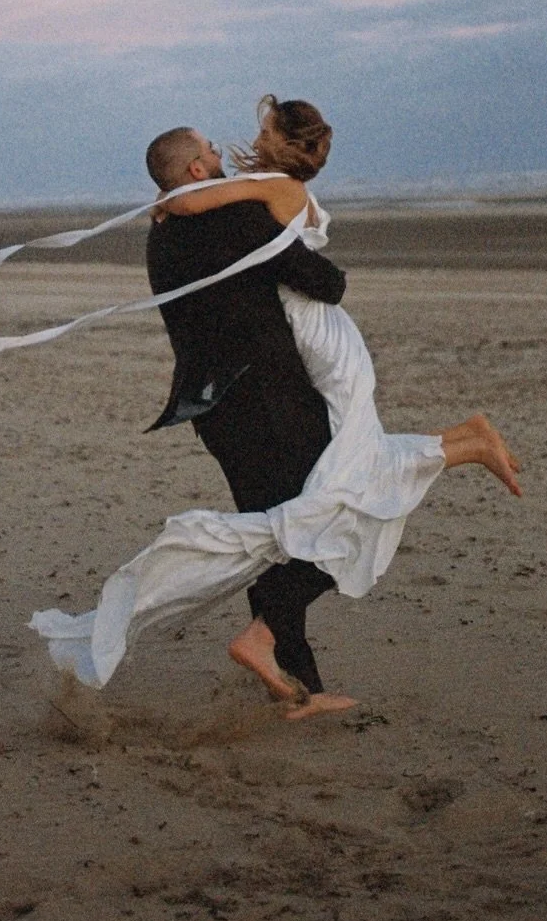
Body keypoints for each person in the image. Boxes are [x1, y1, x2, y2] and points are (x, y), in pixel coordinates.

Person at [138, 99, 520, 718]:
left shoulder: (164, 234)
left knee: (277, 532)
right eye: (206, 150)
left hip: (213, 405)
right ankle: (264, 645)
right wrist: (328, 276)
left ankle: (297, 683)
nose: (218, 153)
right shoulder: (232, 217)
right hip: (266, 396)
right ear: (191, 171)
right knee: (336, 511)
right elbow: (321, 280)